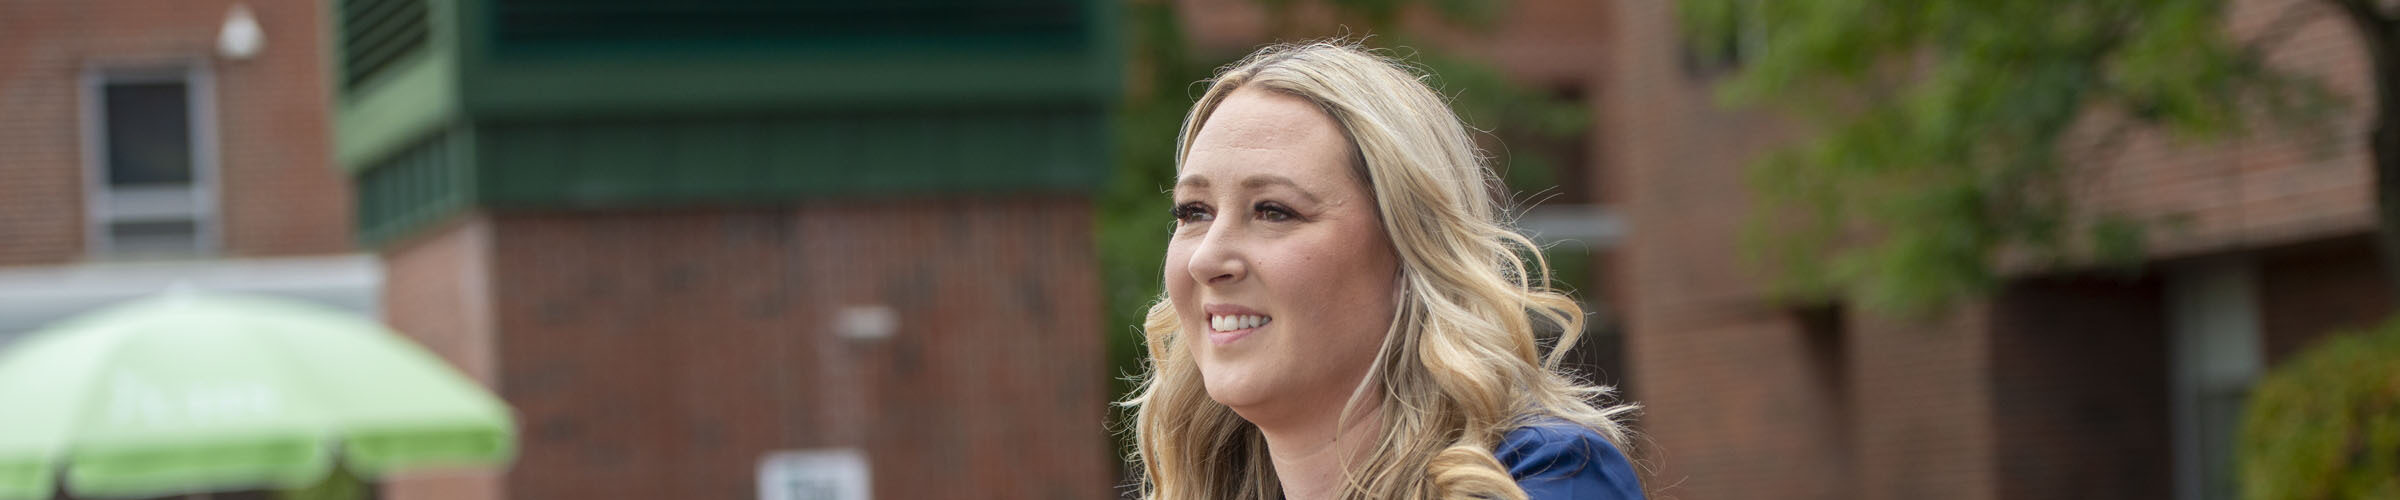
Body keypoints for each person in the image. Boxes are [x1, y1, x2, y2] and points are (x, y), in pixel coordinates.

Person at [1121, 40, 1646, 500]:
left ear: (1409, 250)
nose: (1206, 260)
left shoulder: (1546, 475)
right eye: (1194, 212)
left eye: (1274, 211)